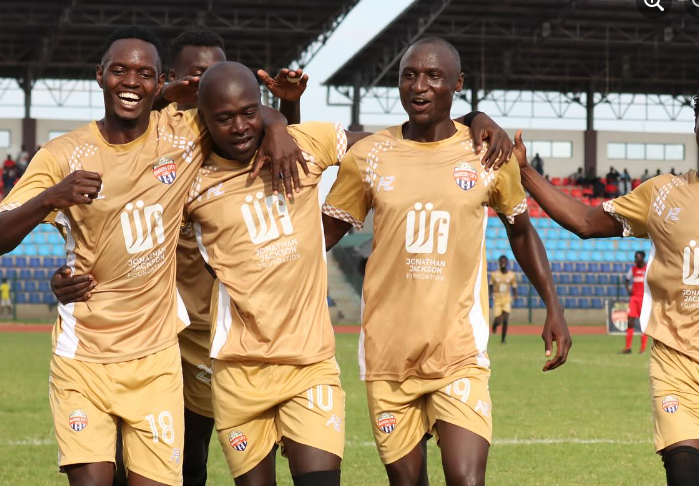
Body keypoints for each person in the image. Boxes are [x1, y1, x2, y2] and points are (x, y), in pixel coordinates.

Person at [0, 26, 300, 486]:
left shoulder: (184, 135)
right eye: (120, 70)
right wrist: (50, 199)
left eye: (144, 74)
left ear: (160, 84)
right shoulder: (63, 153)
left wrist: (279, 121)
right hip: (84, 357)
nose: (130, 81)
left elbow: (238, 111)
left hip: (157, 359)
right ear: (100, 76)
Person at [321, 36, 571, 486]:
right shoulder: (369, 156)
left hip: (459, 352)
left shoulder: (487, 155)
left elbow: (521, 230)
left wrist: (554, 305)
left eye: (434, 76)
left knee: (466, 479)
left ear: (457, 83)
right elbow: (326, 232)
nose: (419, 85)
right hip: (387, 355)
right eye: (409, 75)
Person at [511, 115, 699, 484]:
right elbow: (584, 220)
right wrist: (525, 172)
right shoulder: (662, 193)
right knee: (685, 472)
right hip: (677, 366)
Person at [620, 251, 648, 355]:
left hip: (644, 299)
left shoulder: (648, 269)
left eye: (638, 258)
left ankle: (643, 349)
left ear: (642, 259)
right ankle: (628, 348)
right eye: (635, 258)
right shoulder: (633, 269)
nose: (636, 260)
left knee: (644, 324)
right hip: (634, 298)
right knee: (630, 321)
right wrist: (628, 289)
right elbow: (626, 280)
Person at [490, 255, 518, 343]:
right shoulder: (494, 275)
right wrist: (491, 294)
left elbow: (514, 286)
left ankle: (503, 339)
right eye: (501, 261)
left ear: (506, 263)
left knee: (505, 320)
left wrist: (515, 295)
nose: (503, 263)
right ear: (499, 263)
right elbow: (491, 285)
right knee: (498, 321)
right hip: (497, 299)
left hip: (506, 299)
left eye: (504, 261)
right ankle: (495, 325)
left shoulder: (511, 275)